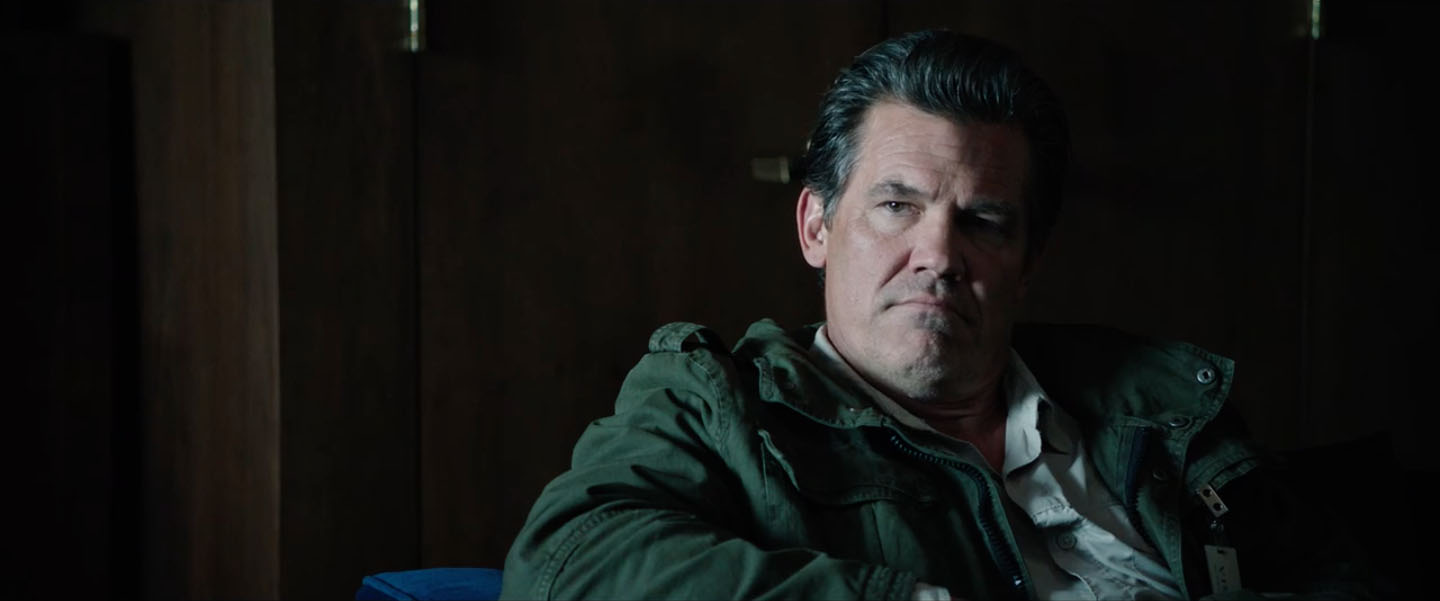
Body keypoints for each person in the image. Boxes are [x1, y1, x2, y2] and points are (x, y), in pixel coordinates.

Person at [500, 30, 1373, 600]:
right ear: (816, 227)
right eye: (897, 206)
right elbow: (569, 561)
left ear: (1028, 259)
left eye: (983, 221)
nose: (940, 254)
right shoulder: (717, 404)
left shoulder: (1161, 402)